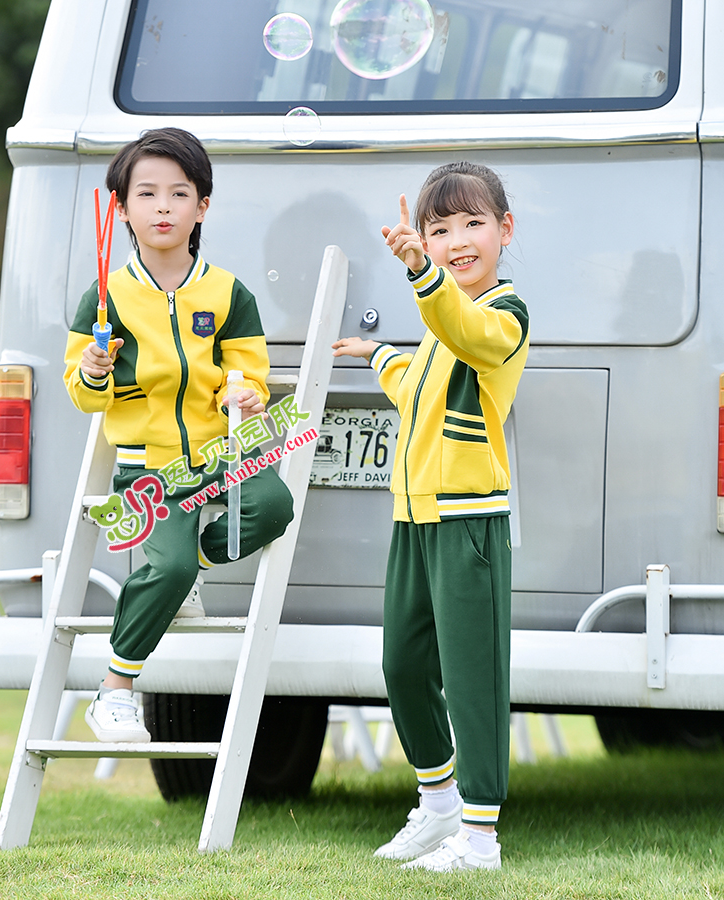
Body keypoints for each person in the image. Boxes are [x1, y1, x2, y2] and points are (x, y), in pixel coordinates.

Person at [64, 128, 293, 741]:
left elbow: (248, 373)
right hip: (149, 469)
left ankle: (189, 566)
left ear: (202, 207)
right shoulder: (105, 297)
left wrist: (243, 392)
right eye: (146, 193)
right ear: (123, 207)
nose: (162, 206)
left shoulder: (227, 293)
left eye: (178, 193)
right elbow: (82, 392)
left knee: (274, 504)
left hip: (221, 453)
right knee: (161, 572)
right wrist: (93, 372)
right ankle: (114, 689)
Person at [333, 162, 529, 872]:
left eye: (473, 223)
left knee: (473, 675)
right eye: (438, 229)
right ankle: (440, 800)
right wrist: (375, 351)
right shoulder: (438, 323)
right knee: (403, 664)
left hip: (469, 523)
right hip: (414, 520)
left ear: (505, 231)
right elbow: (415, 382)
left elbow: (464, 329)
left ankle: (480, 838)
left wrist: (420, 272)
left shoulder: (503, 314)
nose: (456, 241)